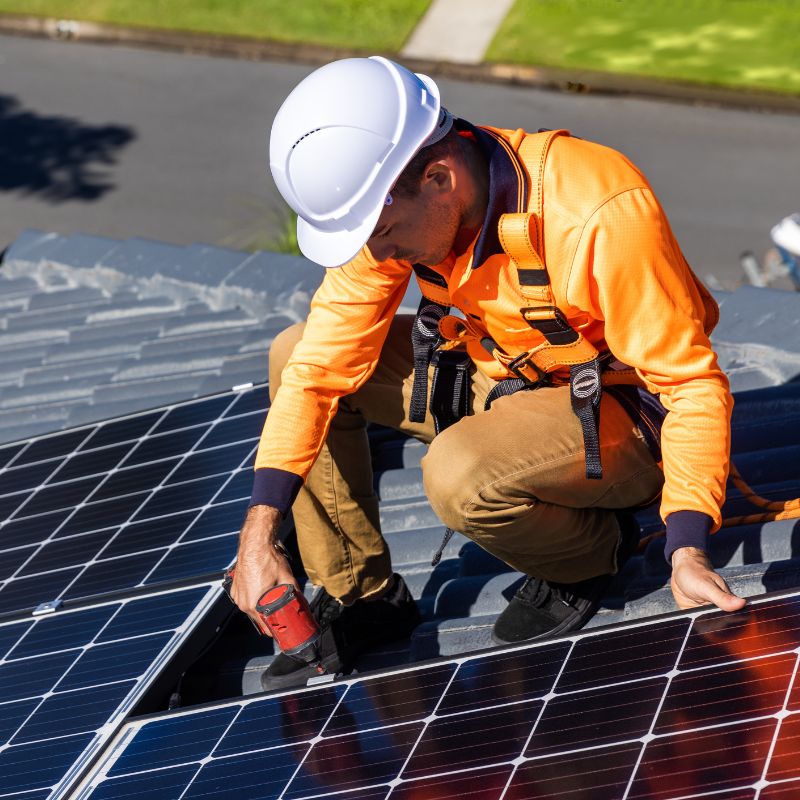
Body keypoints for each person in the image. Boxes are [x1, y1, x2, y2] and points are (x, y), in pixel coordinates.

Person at [230, 56, 745, 690]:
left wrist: (687, 545)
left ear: (440, 177)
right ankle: (363, 594)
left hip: (622, 418)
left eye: (384, 232)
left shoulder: (597, 210)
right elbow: (315, 370)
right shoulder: (400, 211)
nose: (380, 255)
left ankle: (587, 554)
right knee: (293, 350)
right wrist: (258, 534)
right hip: (504, 379)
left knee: (458, 474)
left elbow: (690, 386)